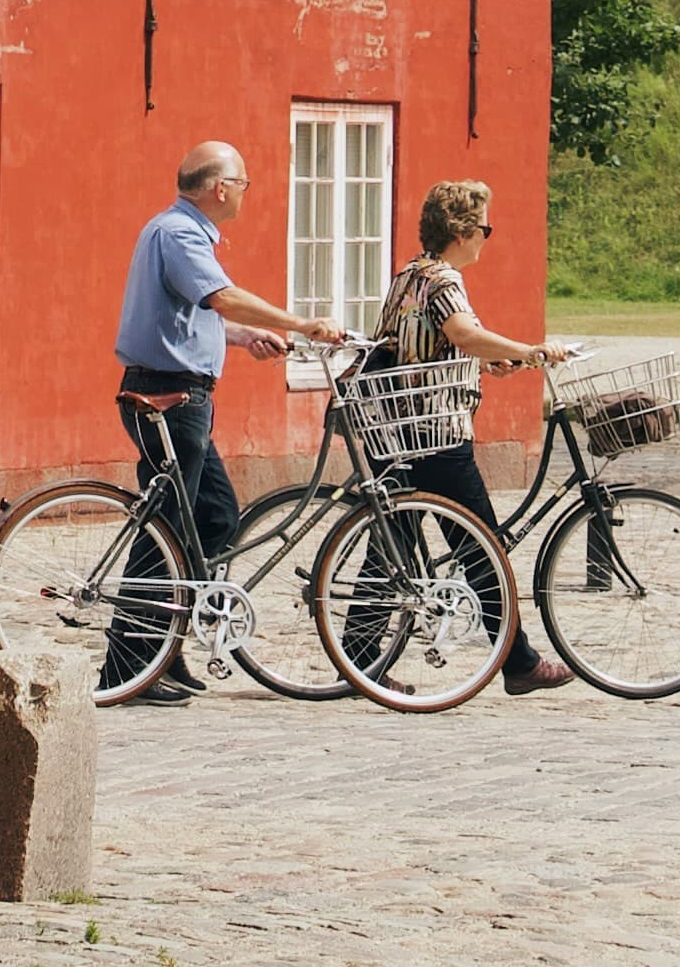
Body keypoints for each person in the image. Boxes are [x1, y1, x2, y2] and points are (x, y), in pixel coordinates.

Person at [109, 141, 330, 700]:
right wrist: (301, 322)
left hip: (180, 396)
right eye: (244, 183)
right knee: (165, 529)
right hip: (170, 398)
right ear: (220, 187)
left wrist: (243, 336)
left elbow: (188, 316)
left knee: (214, 518)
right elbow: (224, 298)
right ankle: (126, 664)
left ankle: (162, 650)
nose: (246, 193)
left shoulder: (177, 231)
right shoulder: (180, 234)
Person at [372, 173, 572, 695]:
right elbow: (461, 332)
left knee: (392, 542)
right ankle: (520, 662)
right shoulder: (443, 282)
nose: (487, 235)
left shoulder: (408, 276)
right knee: (482, 546)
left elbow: (423, 351)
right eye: (485, 227)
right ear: (462, 232)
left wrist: (489, 362)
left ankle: (358, 656)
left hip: (397, 429)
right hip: (435, 433)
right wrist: (529, 349)